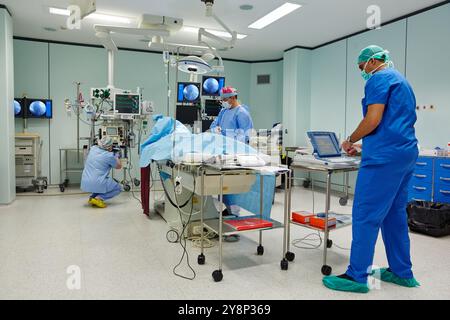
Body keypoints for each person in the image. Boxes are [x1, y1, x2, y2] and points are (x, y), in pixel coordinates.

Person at [323, 45, 420, 293]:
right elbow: (393, 126)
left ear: (374, 60)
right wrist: (366, 149)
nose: (363, 72)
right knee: (394, 215)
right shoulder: (403, 82)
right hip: (404, 153)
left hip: (384, 159)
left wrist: (350, 140)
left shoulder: (379, 78)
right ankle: (401, 272)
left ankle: (357, 277)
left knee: (366, 214)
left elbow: (373, 119)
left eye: (362, 67)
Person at [81, 136, 123, 208]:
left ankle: (92, 197)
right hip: (97, 182)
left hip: (85, 182)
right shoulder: (109, 156)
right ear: (109, 146)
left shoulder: (93, 148)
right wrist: (116, 156)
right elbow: (119, 166)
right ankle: (99, 198)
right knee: (118, 188)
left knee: (100, 183)